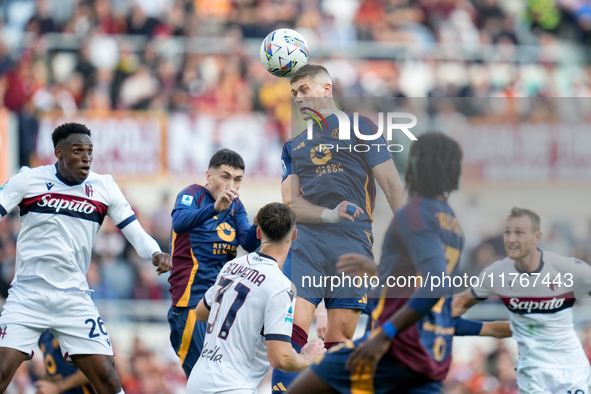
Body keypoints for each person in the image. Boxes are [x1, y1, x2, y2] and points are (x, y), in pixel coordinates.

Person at [287, 131, 469, 393]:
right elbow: (421, 279)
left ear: (417, 164)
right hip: (429, 354)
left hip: (395, 349)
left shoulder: (415, 211)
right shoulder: (452, 223)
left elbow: (435, 283)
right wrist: (379, 271)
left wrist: (385, 335)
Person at [0, 123, 171, 394]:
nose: (86, 157)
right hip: (28, 294)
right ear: (58, 152)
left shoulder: (104, 187)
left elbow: (136, 232)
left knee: (108, 380)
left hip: (74, 297)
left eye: (90, 150)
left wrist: (155, 252)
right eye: (77, 150)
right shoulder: (28, 180)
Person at [273, 64, 407, 391]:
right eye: (294, 94)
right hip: (308, 242)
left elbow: (391, 185)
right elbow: (291, 202)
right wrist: (329, 214)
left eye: (304, 90)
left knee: (341, 338)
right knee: (291, 329)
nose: (298, 99)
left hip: (353, 244)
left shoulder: (362, 128)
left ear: (326, 89)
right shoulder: (295, 145)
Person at [187, 203, 326, 393]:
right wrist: (306, 359)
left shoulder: (231, 266)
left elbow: (201, 313)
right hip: (232, 386)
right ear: (294, 235)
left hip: (197, 381)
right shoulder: (280, 286)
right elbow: (280, 358)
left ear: (259, 233)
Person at [453, 207, 591, 393]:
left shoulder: (568, 269)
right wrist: (428, 317)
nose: (511, 239)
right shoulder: (496, 274)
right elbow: (458, 304)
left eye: (519, 233)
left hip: (571, 372)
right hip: (532, 374)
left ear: (537, 237)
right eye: (508, 233)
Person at [167, 149, 260, 378]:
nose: (232, 185)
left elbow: (247, 242)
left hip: (220, 306)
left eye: (237, 180)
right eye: (225, 177)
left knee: (222, 380)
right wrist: (214, 209)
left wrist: (261, 226)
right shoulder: (192, 195)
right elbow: (179, 222)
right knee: (204, 379)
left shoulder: (236, 206)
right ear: (209, 175)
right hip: (190, 303)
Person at [35, 329, 96, 394]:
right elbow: (53, 370)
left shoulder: (71, 332)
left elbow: (92, 370)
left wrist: (57, 387)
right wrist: (43, 386)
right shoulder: (43, 337)